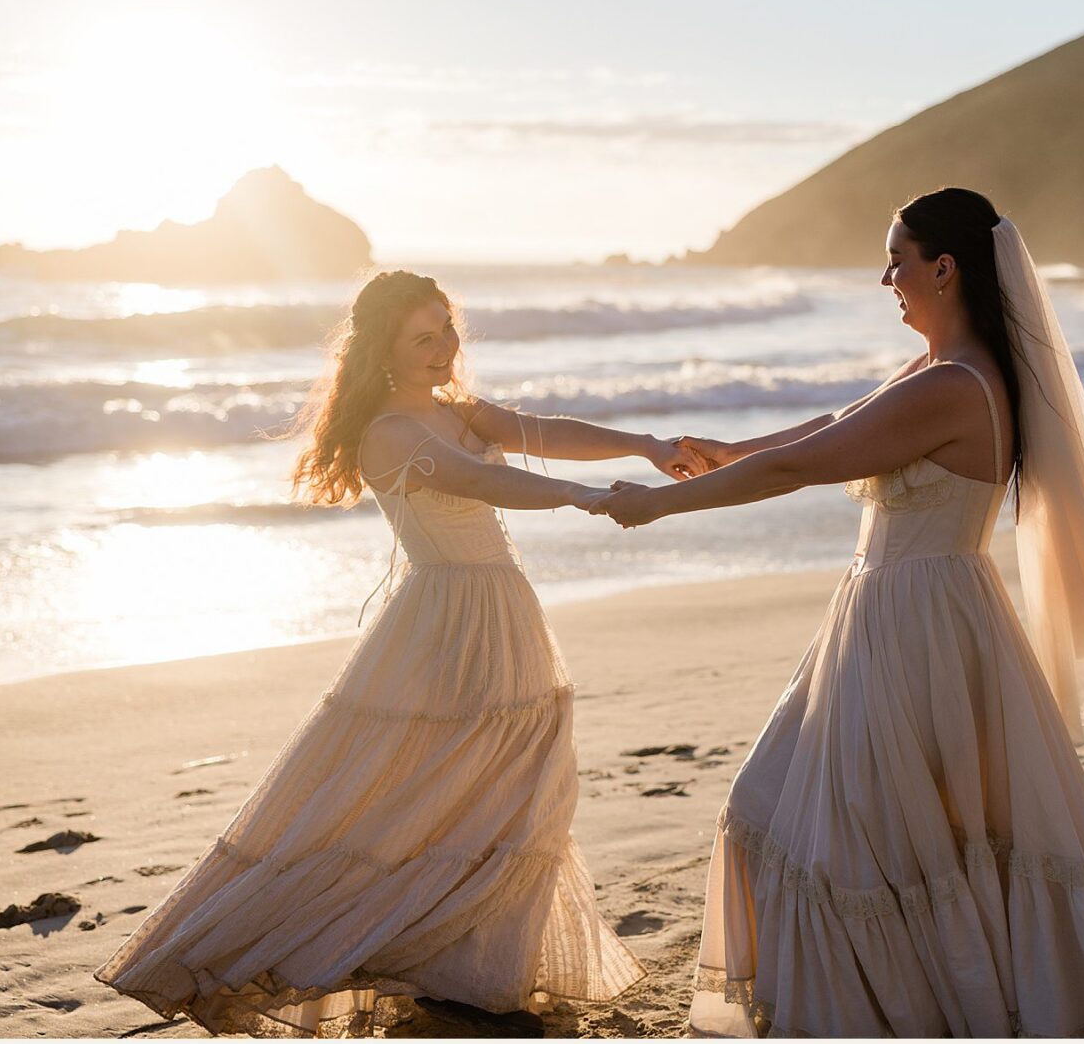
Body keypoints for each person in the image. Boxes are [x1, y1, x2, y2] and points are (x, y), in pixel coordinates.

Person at [590, 188, 1084, 1037]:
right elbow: (834, 425)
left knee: (852, 840)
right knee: (837, 826)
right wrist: (727, 448)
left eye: (897, 257)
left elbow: (805, 468)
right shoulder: (937, 371)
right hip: (904, 615)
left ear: (945, 266)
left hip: (913, 629)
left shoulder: (956, 386)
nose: (885, 275)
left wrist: (663, 507)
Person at [94, 270, 706, 1036]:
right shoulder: (389, 431)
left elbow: (542, 430)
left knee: (514, 782)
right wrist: (584, 497)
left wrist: (647, 445)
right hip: (450, 619)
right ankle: (416, 950)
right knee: (450, 785)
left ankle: (472, 961)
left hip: (500, 606)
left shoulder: (456, 409)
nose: (444, 346)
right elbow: (480, 477)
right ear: (384, 350)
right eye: (424, 337)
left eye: (447, 327)